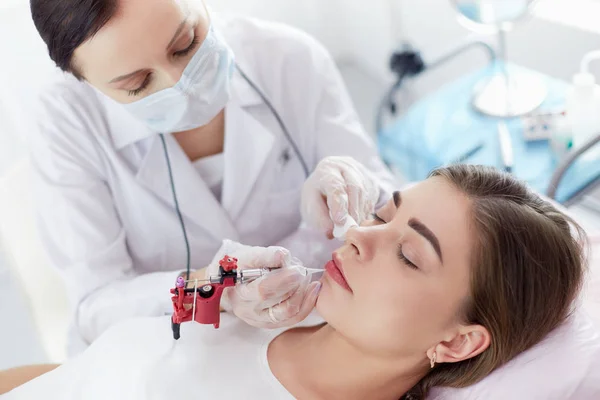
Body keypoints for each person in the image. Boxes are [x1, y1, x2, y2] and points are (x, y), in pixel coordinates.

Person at [1, 165, 586, 399]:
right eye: (384, 214)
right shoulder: (276, 303)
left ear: (457, 341)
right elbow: (91, 373)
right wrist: (207, 286)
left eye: (408, 254)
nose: (360, 235)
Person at [27, 0, 395, 352]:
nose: (179, 84)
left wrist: (354, 191)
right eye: (137, 84)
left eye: (186, 42)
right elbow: (97, 306)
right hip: (172, 351)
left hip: (315, 328)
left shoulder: (289, 59)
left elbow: (392, 213)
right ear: (86, 82)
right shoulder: (65, 125)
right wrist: (212, 289)